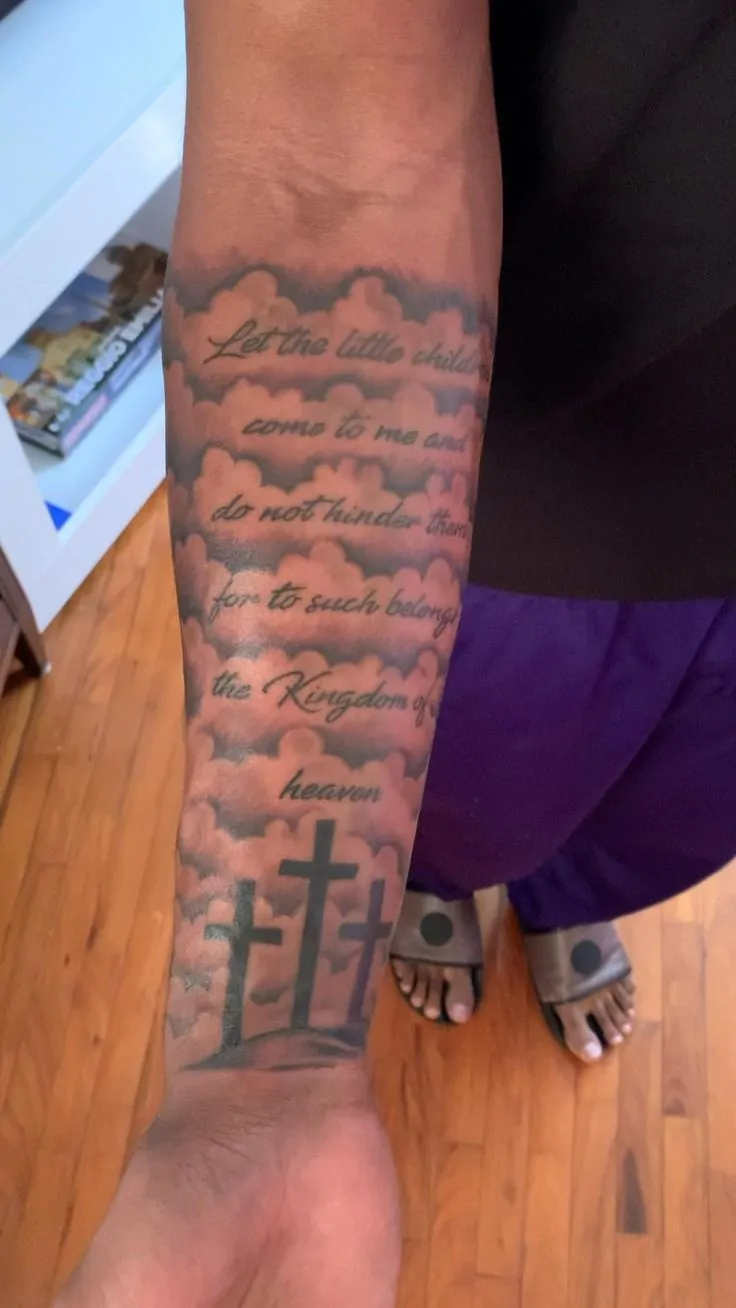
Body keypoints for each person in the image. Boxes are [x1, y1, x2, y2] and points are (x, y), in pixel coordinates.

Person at [56, 1, 736, 1305]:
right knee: (465, 794)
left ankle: (571, 895)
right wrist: (266, 1066)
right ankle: (445, 890)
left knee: (663, 807)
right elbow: (325, 165)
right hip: (501, 480)